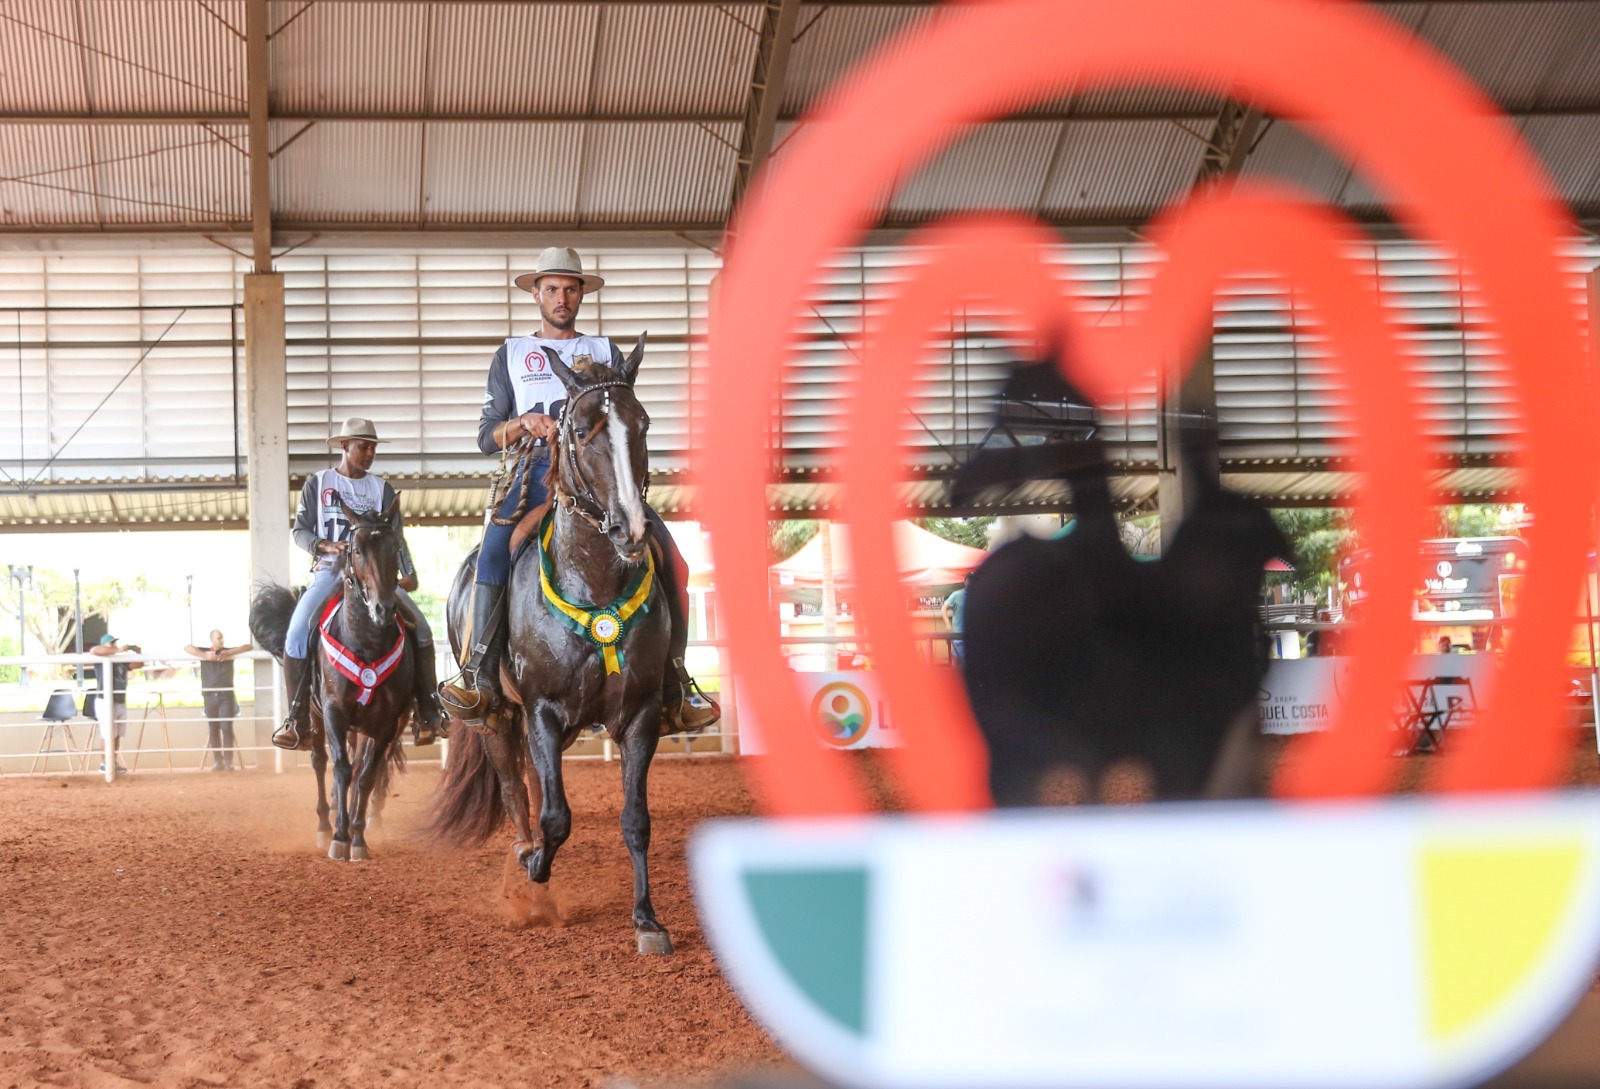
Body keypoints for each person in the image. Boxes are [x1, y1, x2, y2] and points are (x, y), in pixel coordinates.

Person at [440, 246, 719, 734]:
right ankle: (478, 676)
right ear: (536, 294)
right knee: (492, 554)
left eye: (571, 289)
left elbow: (623, 420)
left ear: (582, 295)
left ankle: (676, 681)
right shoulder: (511, 355)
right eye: (552, 289)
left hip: (602, 476)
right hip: (534, 472)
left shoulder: (607, 352)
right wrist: (524, 422)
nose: (562, 298)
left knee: (673, 560)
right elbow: (487, 435)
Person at [274, 417, 444, 750]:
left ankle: (428, 711)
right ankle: (297, 718)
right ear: (344, 446)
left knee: (422, 630)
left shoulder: (382, 489)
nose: (369, 454)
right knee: (296, 635)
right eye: (363, 447)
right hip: (329, 571)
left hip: (374, 575)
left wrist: (408, 571)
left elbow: (396, 537)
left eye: (372, 448)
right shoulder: (318, 483)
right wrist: (324, 545)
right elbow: (300, 531)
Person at [185, 630, 251, 771]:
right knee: (213, 728)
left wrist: (229, 653)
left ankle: (228, 762)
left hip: (226, 696)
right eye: (218, 638)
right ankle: (218, 761)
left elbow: (248, 646)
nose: (221, 640)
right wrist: (205, 656)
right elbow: (187, 648)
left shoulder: (228, 652)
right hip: (209, 696)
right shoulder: (204, 652)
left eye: (222, 638)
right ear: (212, 640)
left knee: (227, 728)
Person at [89, 633, 143, 773]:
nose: (114, 645)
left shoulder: (121, 660)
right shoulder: (100, 658)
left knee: (117, 734)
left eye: (115, 643)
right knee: (108, 734)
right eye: (111, 643)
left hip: (119, 700)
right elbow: (95, 650)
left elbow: (138, 664)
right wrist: (117, 650)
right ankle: (104, 763)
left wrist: (138, 652)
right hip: (105, 700)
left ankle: (112, 762)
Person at [943, 577, 969, 665]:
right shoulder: (956, 594)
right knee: (956, 661)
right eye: (969, 580)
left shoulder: (979, 595)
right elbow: (944, 608)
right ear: (965, 582)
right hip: (958, 636)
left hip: (973, 636)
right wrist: (947, 624)